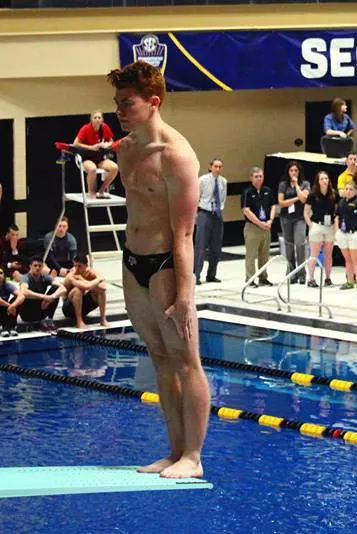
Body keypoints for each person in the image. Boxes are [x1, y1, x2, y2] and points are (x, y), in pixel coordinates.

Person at [109, 60, 209, 478]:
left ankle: (194, 457)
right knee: (159, 358)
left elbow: (183, 236)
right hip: (132, 262)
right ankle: (173, 452)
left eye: (126, 103)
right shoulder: (125, 148)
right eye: (116, 103)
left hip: (167, 264)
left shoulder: (178, 156)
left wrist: (185, 298)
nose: (119, 110)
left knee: (187, 360)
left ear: (153, 102)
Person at [193, 157, 227, 285]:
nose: (218, 169)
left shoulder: (223, 181)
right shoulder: (202, 180)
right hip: (204, 213)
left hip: (217, 214)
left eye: (220, 166)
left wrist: (219, 209)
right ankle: (196, 275)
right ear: (210, 167)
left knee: (216, 247)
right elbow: (196, 196)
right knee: (201, 246)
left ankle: (211, 274)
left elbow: (222, 198)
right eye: (216, 166)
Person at [240, 166, 274, 288]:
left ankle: (263, 277)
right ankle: (250, 278)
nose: (259, 179)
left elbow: (273, 206)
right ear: (251, 178)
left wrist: (270, 220)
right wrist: (259, 223)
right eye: (256, 177)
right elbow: (246, 210)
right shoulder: (247, 192)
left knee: (264, 254)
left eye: (260, 176)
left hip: (266, 226)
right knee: (251, 254)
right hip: (253, 227)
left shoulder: (267, 190)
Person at [277, 161, 310, 284]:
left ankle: (302, 272)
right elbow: (281, 202)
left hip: (300, 218)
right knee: (289, 245)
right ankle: (291, 272)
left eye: (296, 170)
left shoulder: (305, 184)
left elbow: (304, 199)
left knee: (300, 243)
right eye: (291, 171)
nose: (294, 173)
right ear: (288, 172)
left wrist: (296, 186)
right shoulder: (283, 185)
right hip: (286, 217)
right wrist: (296, 198)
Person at [73, 110, 118, 199]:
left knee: (114, 168)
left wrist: (106, 144)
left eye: (99, 117)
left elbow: (111, 141)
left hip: (100, 158)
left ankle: (102, 189)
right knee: (92, 169)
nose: (97, 119)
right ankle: (91, 192)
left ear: (102, 120)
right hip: (86, 158)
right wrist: (91, 147)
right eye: (95, 118)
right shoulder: (85, 128)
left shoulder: (105, 127)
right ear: (91, 119)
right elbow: (75, 143)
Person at [304, 171, 337, 288]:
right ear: (318, 181)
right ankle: (311, 278)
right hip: (317, 225)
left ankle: (328, 278)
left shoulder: (333, 194)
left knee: (329, 255)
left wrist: (336, 228)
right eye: (322, 179)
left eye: (326, 178)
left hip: (330, 226)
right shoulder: (313, 195)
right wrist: (310, 225)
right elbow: (306, 212)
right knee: (314, 254)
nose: (324, 181)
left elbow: (336, 212)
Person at [335, 181, 357, 290]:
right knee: (348, 260)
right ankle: (349, 282)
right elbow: (336, 217)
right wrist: (337, 231)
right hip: (343, 234)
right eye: (346, 189)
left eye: (350, 189)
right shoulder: (341, 203)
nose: (348, 191)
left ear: (355, 191)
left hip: (355, 234)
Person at [61, 255, 108, 329]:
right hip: (69, 309)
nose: (76, 269)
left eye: (79, 266)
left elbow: (104, 288)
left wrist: (83, 280)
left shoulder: (92, 272)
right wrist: (98, 280)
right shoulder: (71, 275)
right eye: (75, 266)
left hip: (84, 306)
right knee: (77, 290)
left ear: (86, 265)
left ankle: (103, 319)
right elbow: (85, 287)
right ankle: (79, 321)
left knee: (101, 292)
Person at [19, 257, 64, 331]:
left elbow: (63, 288)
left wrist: (51, 297)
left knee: (55, 289)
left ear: (42, 267)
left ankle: (49, 319)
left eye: (40, 266)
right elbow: (24, 291)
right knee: (27, 294)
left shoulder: (45, 277)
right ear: (30, 266)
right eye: (35, 265)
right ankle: (36, 321)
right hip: (27, 312)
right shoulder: (25, 278)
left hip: (41, 308)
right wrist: (44, 297)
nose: (37, 268)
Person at [0, 267, 24, 337]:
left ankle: (11, 326)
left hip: (6, 310)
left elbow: (22, 296)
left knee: (17, 300)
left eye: (1, 273)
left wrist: (13, 305)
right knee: (3, 303)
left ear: (4, 275)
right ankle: (3, 327)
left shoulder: (7, 285)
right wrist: (10, 306)